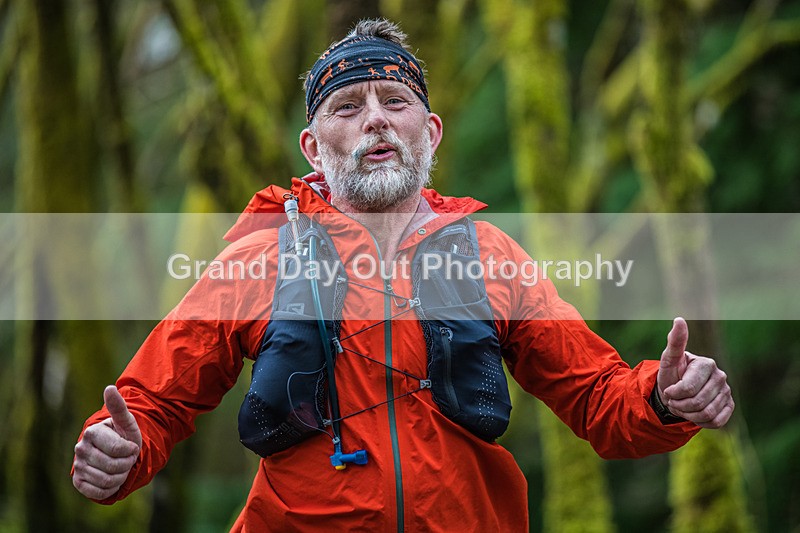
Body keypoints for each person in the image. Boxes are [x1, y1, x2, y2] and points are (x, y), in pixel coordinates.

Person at [72, 18, 734, 531]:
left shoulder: (493, 256)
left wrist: (665, 397)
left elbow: (601, 400)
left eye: (394, 99)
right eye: (348, 107)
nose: (376, 118)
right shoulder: (257, 257)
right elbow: (149, 406)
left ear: (431, 131)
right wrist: (118, 454)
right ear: (312, 146)